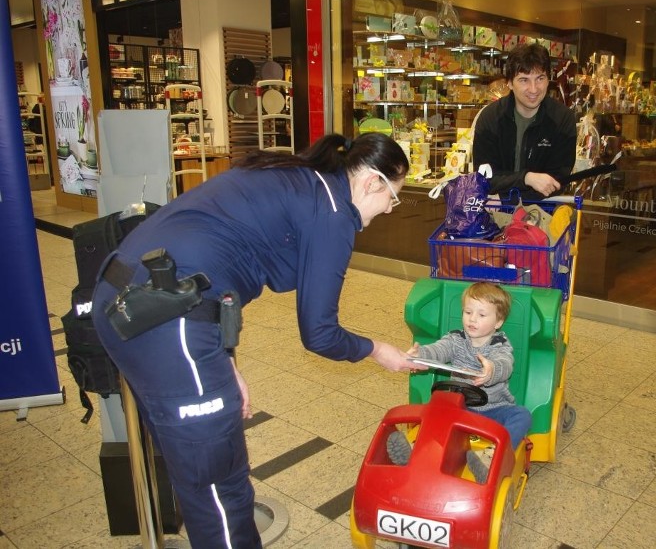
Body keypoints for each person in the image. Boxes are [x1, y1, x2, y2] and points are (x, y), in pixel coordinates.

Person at [90, 132, 426, 549]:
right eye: (392, 198)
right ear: (373, 182)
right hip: (167, 320)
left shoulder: (297, 176)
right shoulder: (334, 211)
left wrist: (225, 361)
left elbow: (216, 259)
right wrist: (379, 350)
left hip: (130, 301)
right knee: (219, 485)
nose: (388, 210)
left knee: (196, 467)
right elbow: (319, 334)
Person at [386, 282, 532, 484]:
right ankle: (415, 449)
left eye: (482, 315)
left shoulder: (500, 345)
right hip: (460, 408)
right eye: (468, 311)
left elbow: (505, 364)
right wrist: (421, 355)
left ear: (498, 322)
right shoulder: (456, 339)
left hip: (495, 410)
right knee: (435, 409)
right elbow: (439, 350)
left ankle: (490, 459)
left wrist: (491, 370)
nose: (472, 319)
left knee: (522, 415)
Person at [472, 43, 577, 200]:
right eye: (524, 80)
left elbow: (556, 181)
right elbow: (483, 178)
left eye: (540, 78)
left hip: (543, 215)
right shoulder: (490, 118)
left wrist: (510, 185)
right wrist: (526, 178)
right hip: (495, 213)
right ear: (509, 83)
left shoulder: (562, 119)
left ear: (549, 79)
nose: (534, 89)